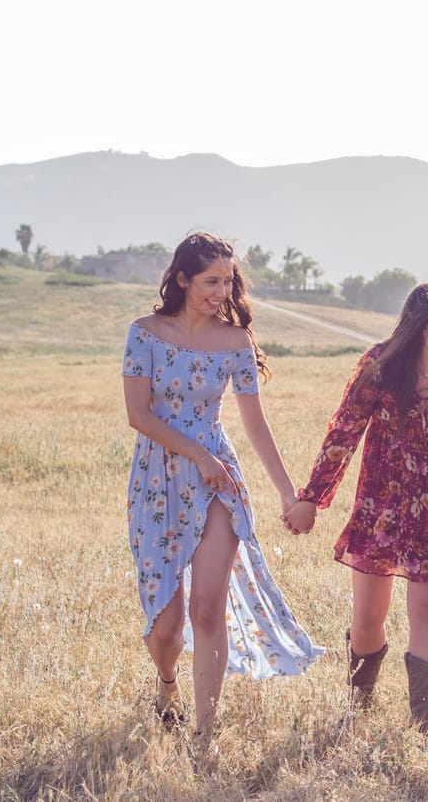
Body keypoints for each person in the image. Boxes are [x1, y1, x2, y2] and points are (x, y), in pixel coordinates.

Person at [121, 232, 322, 756]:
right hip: (159, 481)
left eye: (228, 281)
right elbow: (138, 415)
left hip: (218, 484)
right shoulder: (143, 334)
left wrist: (286, 492)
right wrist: (199, 456)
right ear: (182, 279)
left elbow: (255, 424)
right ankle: (167, 685)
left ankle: (203, 737)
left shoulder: (235, 342)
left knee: (206, 610)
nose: (221, 291)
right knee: (165, 624)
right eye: (211, 280)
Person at [284, 282, 428, 742]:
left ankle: (426, 730)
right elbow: (344, 431)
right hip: (381, 503)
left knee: (427, 611)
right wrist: (312, 498)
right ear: (425, 324)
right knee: (368, 616)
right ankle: (357, 707)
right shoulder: (381, 366)